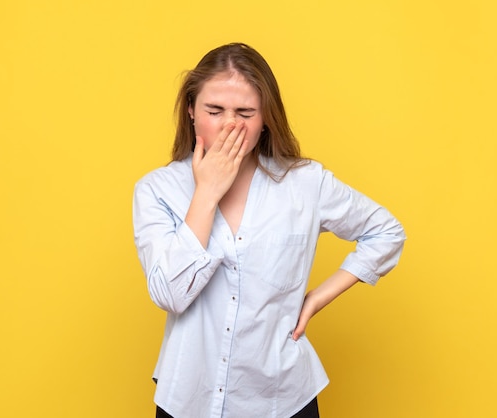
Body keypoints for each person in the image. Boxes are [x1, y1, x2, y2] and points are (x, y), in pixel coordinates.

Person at [133, 43, 406, 418]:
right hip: (188, 399)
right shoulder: (156, 190)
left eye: (245, 113)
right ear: (192, 111)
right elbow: (171, 294)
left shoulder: (305, 183)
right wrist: (207, 192)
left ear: (265, 120)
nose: (230, 124)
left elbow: (386, 232)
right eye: (215, 111)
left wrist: (316, 298)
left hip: (282, 398)